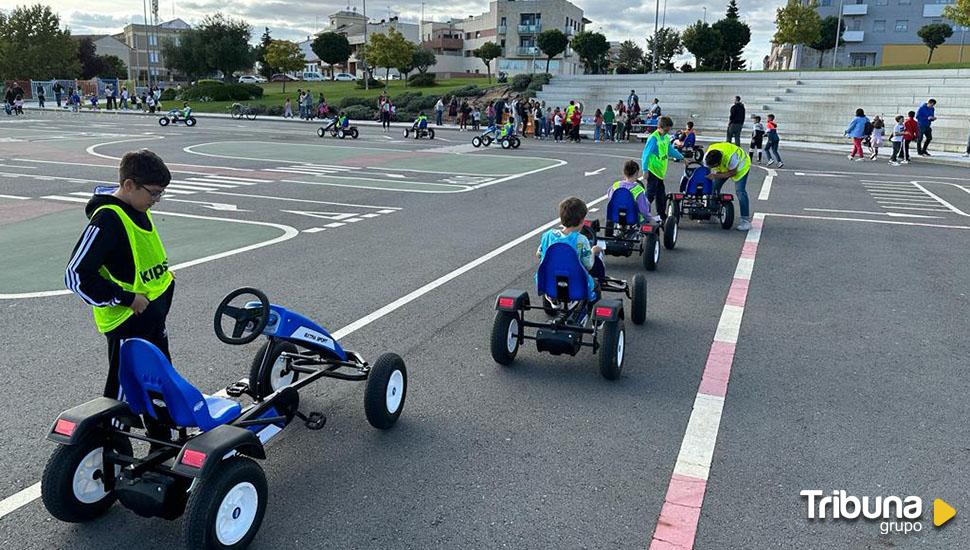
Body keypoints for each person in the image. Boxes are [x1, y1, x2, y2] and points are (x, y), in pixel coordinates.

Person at [64, 149, 174, 401]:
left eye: (161, 193)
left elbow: (135, 257)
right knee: (125, 391)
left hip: (150, 320)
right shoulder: (108, 219)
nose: (157, 199)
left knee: (159, 380)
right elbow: (75, 275)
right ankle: (108, 437)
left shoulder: (137, 207)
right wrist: (125, 298)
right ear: (129, 185)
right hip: (127, 324)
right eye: (154, 192)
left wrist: (164, 277)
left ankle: (161, 437)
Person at [535, 196, 602, 301]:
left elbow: (539, 254)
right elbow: (588, 265)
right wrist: (594, 251)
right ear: (582, 221)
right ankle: (590, 313)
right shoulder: (581, 240)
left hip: (548, 282)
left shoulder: (547, 236)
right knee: (596, 285)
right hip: (575, 285)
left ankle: (552, 298)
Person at [640, 116, 684, 222]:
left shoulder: (665, 137)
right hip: (653, 170)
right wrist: (645, 170)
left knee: (661, 195)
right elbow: (645, 155)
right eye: (665, 130)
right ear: (659, 127)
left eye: (668, 130)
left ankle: (661, 214)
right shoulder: (653, 138)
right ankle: (642, 214)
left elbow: (670, 150)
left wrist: (682, 157)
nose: (666, 132)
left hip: (660, 172)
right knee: (650, 194)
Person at [704, 142, 753, 231]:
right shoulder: (708, 156)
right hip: (724, 166)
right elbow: (705, 170)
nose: (711, 167)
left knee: (740, 191)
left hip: (741, 166)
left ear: (719, 162)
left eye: (713, 166)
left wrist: (715, 176)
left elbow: (732, 173)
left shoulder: (732, 158)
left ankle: (745, 221)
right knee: (713, 187)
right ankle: (712, 213)